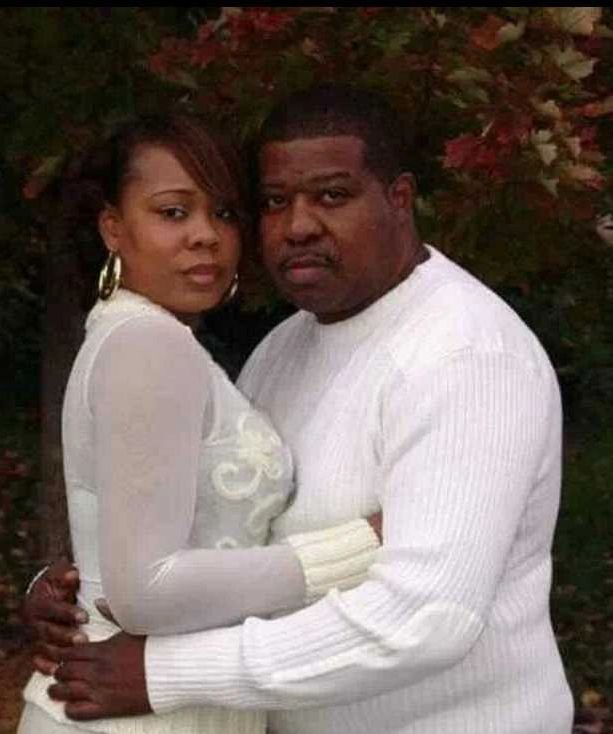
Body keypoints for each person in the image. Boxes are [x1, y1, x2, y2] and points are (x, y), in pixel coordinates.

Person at [29, 86, 574, 733]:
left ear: (399, 199)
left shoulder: (466, 354)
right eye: (274, 202)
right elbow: (211, 525)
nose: (299, 226)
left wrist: (165, 673)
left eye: (332, 196)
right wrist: (80, 588)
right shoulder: (284, 346)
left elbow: (427, 617)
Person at [17, 111, 382, 734]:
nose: (206, 236)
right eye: (173, 212)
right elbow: (145, 591)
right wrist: (361, 547)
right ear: (113, 227)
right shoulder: (147, 345)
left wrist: (56, 584)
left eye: (224, 213)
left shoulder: (140, 339)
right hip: (128, 714)